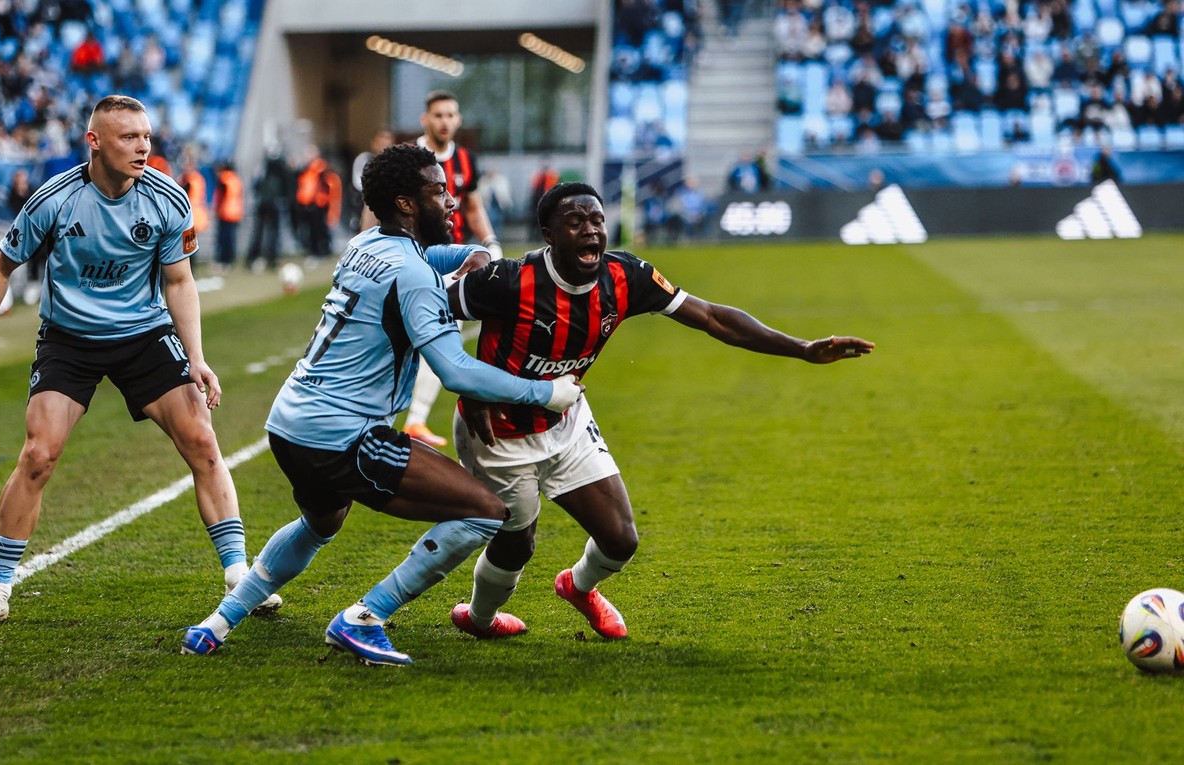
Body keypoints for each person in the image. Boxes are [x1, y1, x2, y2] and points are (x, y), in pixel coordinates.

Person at [179, 144, 584, 665]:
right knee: (487, 512)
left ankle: (218, 622)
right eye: (439, 192)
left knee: (320, 522)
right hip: (342, 433)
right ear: (407, 204)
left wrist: (475, 256)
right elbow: (455, 370)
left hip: (290, 423)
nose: (451, 199)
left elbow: (432, 257)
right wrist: (547, 392)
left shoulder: (365, 242)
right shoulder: (411, 274)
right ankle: (364, 617)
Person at [444, 182, 874, 641]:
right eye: (575, 222)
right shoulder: (509, 280)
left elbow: (712, 318)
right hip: (498, 435)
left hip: (566, 421)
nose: (591, 231)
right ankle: (480, 618)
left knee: (621, 539)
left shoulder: (626, 275)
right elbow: (425, 315)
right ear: (548, 233)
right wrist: (471, 389)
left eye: (597, 221)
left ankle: (578, 586)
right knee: (517, 544)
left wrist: (803, 349)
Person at [0, 95, 277, 628]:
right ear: (95, 142)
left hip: (144, 334)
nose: (143, 147)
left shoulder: (169, 200)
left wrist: (197, 359)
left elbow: (179, 281)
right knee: (38, 454)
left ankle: (238, 574)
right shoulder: (53, 200)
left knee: (201, 438)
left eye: (146, 137)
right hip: (68, 339)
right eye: (128, 137)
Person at [402, 90, 504, 447]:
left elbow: (472, 206)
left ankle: (414, 421)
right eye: (438, 115)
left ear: (458, 120)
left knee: (442, 336)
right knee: (403, 339)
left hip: (454, 266)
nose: (445, 121)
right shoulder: (409, 158)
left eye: (450, 115)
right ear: (425, 120)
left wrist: (489, 241)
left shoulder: (465, 160)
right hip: (415, 259)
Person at [244, 143, 290, 272]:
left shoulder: (265, 169)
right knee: (267, 232)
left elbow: (256, 185)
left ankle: (261, 258)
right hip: (269, 203)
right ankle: (266, 258)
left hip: (267, 202)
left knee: (264, 232)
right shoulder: (276, 168)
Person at [292, 144, 341, 258]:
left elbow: (328, 186)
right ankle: (313, 250)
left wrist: (323, 200)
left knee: (319, 228)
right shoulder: (306, 169)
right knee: (310, 229)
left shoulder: (321, 169)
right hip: (307, 204)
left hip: (319, 203)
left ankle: (323, 250)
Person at [6, 168, 45, 305]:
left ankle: (45, 287)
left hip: (40, 230)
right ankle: (33, 287)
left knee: (45, 256)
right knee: (32, 259)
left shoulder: (33, 191)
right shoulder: (13, 196)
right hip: (26, 232)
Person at [212, 159, 244, 271]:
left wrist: (216, 210)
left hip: (225, 212)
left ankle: (223, 260)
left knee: (223, 239)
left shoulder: (223, 178)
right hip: (235, 212)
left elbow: (220, 196)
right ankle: (230, 260)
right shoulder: (236, 179)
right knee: (231, 238)